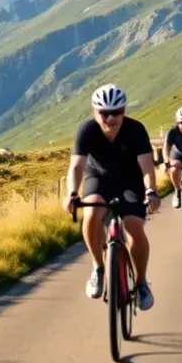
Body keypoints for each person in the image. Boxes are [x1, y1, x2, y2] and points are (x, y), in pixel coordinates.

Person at [64, 83, 160, 310]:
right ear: (94, 112)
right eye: (104, 113)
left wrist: (151, 191)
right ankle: (98, 267)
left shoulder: (136, 130)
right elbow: (77, 167)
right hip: (98, 177)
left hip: (130, 180)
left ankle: (141, 282)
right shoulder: (86, 130)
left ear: (124, 110)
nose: (110, 118)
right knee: (92, 211)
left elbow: (147, 168)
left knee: (134, 225)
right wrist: (72, 194)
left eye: (117, 112)